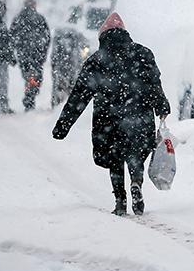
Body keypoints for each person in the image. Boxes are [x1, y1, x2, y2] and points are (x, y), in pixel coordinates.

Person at [52, 12, 170, 216]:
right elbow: (154, 85)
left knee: (115, 158)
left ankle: (120, 199)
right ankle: (136, 183)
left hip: (109, 119)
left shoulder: (97, 60)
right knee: (135, 154)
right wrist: (162, 106)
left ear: (102, 37)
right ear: (125, 33)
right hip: (139, 116)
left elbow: (79, 96)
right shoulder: (143, 53)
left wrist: (63, 126)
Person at [10, 0, 51, 112]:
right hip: (36, 54)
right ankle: (29, 99)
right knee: (35, 77)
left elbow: (12, 36)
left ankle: (29, 98)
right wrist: (43, 51)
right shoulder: (39, 18)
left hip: (25, 55)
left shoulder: (19, 19)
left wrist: (16, 50)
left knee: (30, 77)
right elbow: (47, 37)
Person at [50, 8, 87, 107]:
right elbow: (83, 46)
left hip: (61, 63)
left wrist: (53, 62)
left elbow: (54, 50)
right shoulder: (75, 32)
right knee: (72, 84)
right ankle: (71, 104)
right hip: (72, 63)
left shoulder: (59, 32)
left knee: (58, 84)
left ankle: (57, 103)